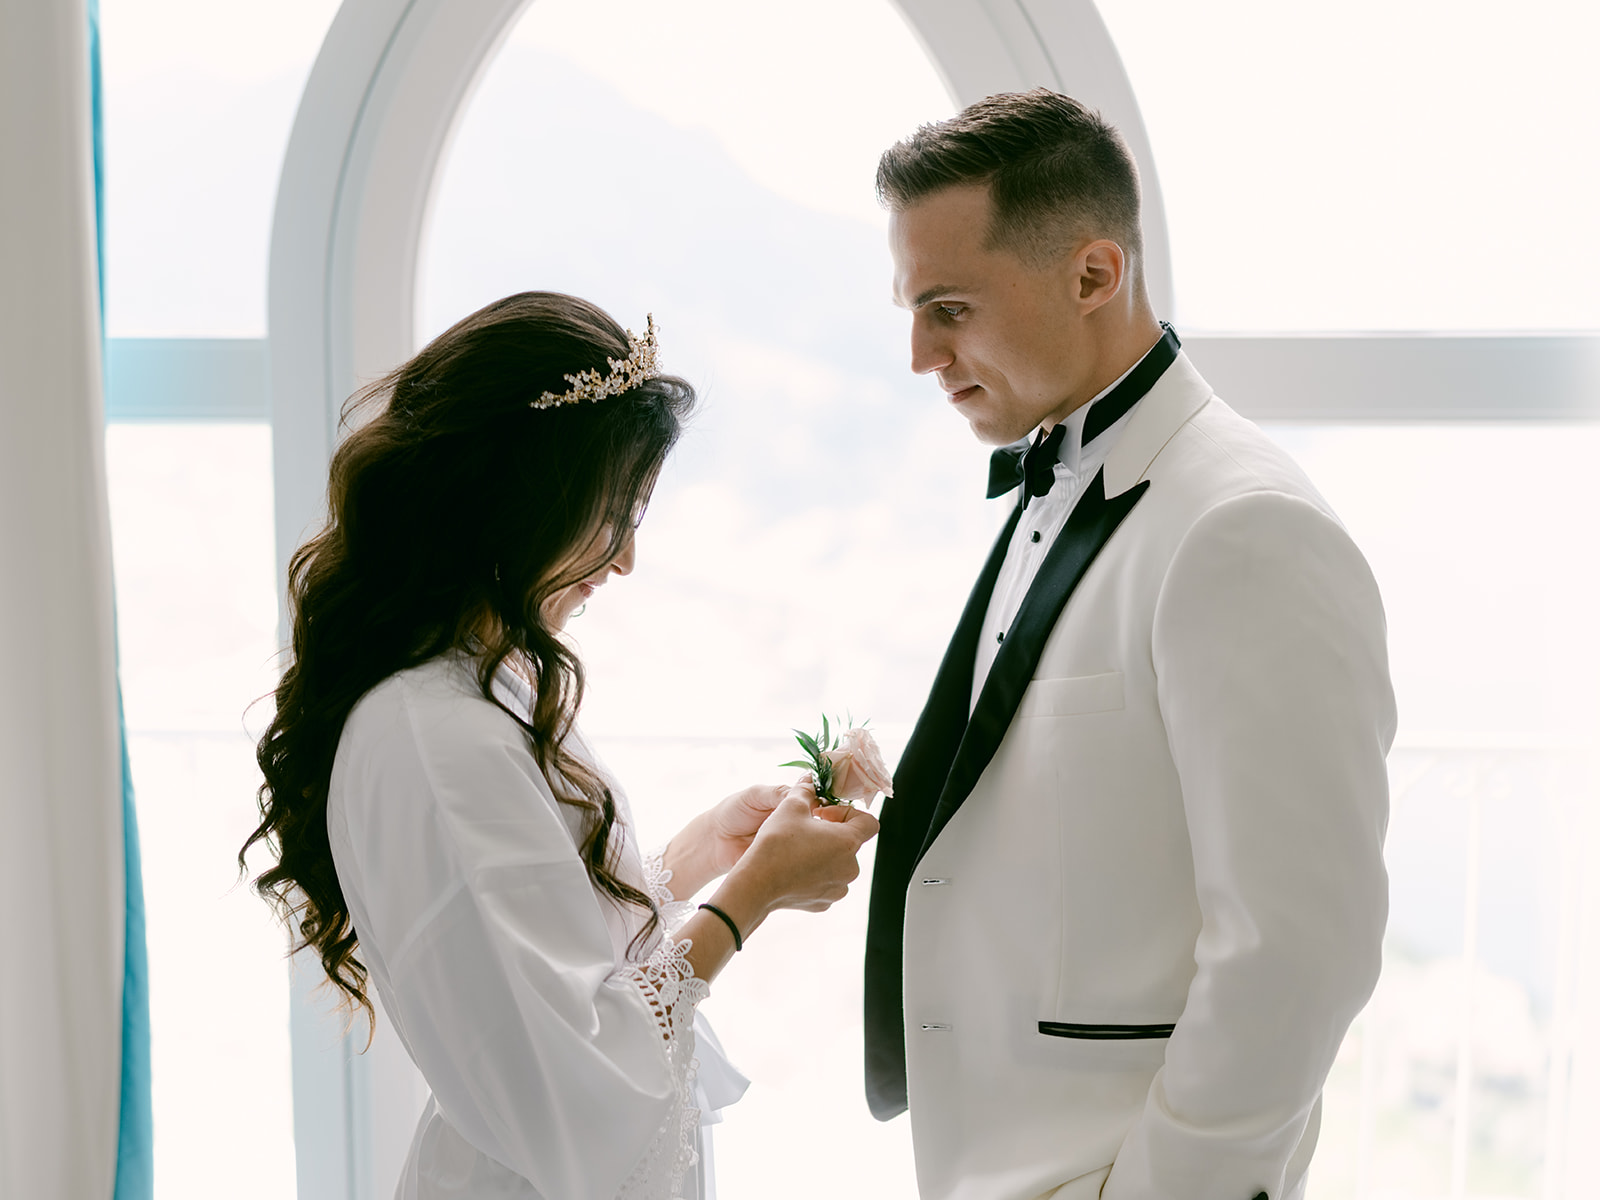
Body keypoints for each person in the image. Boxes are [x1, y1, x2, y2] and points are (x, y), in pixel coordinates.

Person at [862, 90, 1395, 1200]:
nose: (920, 354)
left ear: (1094, 274)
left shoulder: (1244, 529)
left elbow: (1298, 947)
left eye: (948, 308)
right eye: (913, 311)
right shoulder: (1060, 467)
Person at [242, 292, 879, 1200]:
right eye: (615, 513)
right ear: (523, 500)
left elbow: (542, 939)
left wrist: (701, 853)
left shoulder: (482, 680)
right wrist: (753, 895)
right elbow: (573, 1084)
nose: (624, 559)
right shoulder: (437, 734)